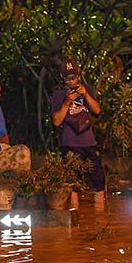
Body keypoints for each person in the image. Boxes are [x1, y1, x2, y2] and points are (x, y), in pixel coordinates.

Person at [50, 58, 106, 209]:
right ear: (62, 77)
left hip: (88, 142)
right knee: (71, 179)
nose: (71, 81)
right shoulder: (58, 95)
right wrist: (67, 102)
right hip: (69, 143)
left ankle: (99, 212)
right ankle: (74, 214)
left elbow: (97, 111)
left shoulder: (86, 89)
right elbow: (56, 121)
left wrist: (86, 95)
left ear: (78, 75)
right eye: (67, 78)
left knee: (98, 177)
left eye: (73, 77)